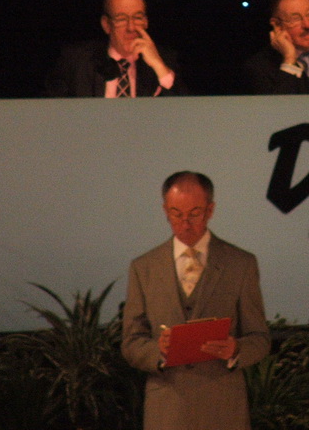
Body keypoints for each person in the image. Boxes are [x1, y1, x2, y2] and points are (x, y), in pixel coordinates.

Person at [121, 171, 270, 430]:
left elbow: (260, 338)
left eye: (194, 214)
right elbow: (131, 342)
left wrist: (236, 350)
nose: (185, 224)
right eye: (176, 214)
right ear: (165, 210)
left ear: (210, 210)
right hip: (166, 411)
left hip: (223, 409)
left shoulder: (241, 264)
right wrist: (159, 351)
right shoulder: (143, 268)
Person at [45, 0, 185, 97]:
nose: (131, 28)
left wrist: (159, 66)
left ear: (146, 22)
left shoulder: (165, 60)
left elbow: (184, 110)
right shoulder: (77, 61)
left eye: (137, 18)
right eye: (122, 19)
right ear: (106, 24)